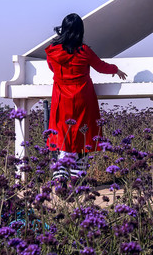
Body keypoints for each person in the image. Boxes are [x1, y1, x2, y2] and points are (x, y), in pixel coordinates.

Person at [45, 13, 127, 179]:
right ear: (80, 31)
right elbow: (100, 66)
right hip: (83, 97)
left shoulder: (52, 51)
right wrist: (115, 69)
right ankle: (77, 172)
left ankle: (61, 172)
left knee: (63, 132)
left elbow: (52, 69)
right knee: (84, 133)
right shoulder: (84, 51)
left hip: (61, 97)